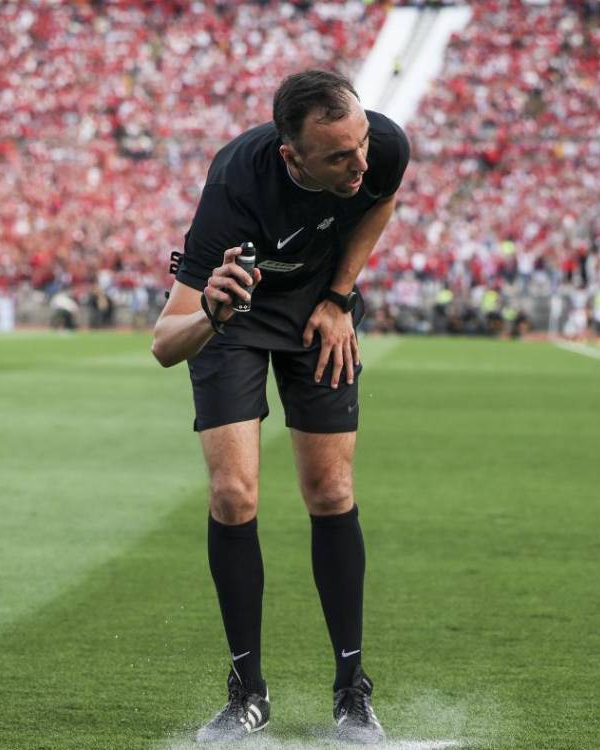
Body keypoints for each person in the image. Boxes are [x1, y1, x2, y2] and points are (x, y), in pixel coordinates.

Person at [150, 69, 409, 744]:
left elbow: (381, 198)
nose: (360, 162)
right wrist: (212, 313)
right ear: (291, 154)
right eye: (339, 156)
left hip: (317, 310)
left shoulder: (382, 146)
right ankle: (247, 692)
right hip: (234, 318)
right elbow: (164, 344)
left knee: (331, 490)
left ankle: (352, 691)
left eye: (361, 143)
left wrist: (340, 297)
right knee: (233, 494)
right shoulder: (232, 190)